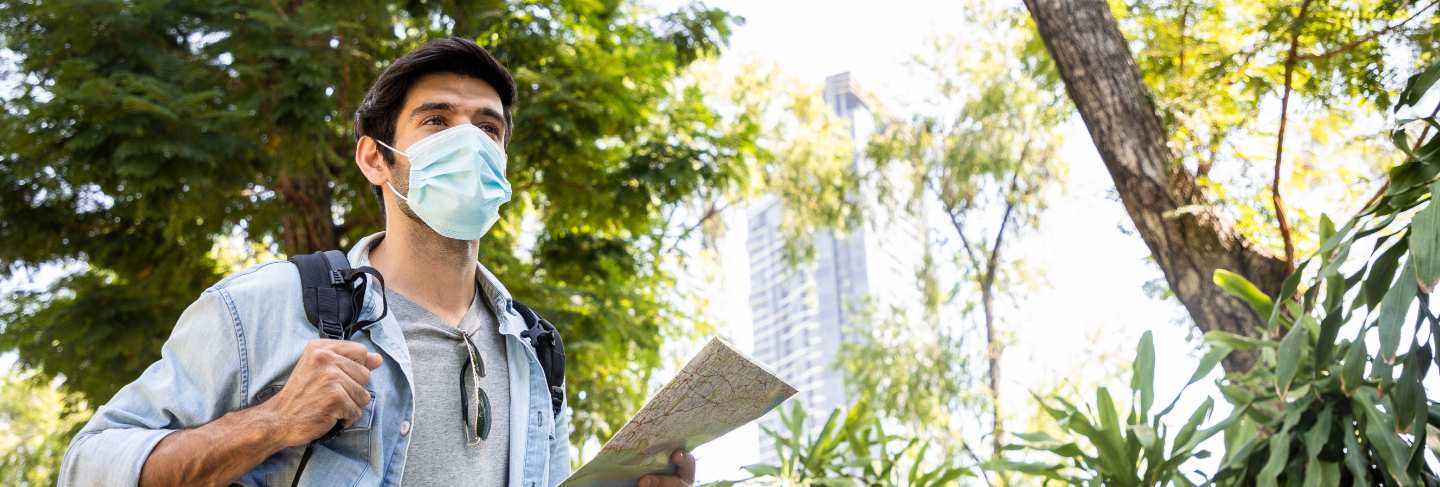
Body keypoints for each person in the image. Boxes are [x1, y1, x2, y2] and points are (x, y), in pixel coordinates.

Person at [59, 37, 696, 487]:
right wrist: (273, 422)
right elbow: (89, 467)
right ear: (375, 159)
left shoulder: (535, 349)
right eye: (437, 121)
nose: (468, 143)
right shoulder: (265, 306)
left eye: (488, 128)